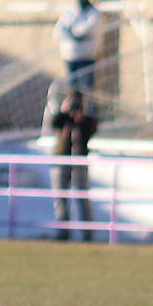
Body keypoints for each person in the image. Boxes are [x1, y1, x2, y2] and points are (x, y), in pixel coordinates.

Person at [48, 89, 98, 241]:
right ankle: (62, 233)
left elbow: (92, 127)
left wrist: (79, 119)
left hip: (79, 162)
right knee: (60, 197)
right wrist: (66, 113)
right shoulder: (62, 118)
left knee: (82, 197)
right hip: (61, 159)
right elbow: (54, 122)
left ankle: (87, 234)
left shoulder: (86, 121)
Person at [53, 0, 100, 91]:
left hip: (86, 57)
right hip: (70, 57)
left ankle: (89, 108)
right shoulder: (70, 12)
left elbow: (86, 29)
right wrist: (71, 32)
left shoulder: (93, 12)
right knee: (72, 89)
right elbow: (58, 31)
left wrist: (72, 31)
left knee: (87, 89)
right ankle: (75, 107)